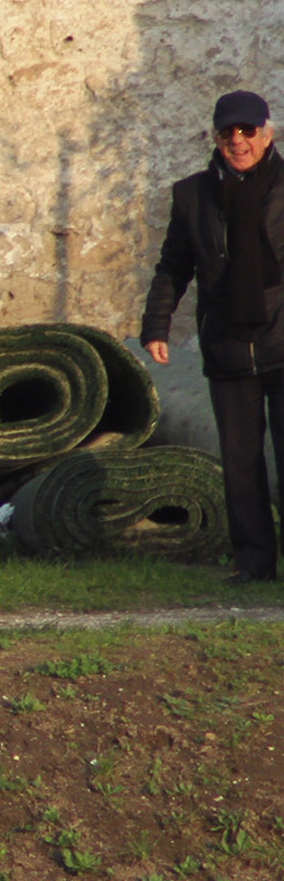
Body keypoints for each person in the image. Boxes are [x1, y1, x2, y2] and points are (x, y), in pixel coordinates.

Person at [142, 90, 284, 584]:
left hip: (282, 338)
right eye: (229, 132)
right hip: (226, 345)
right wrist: (156, 326)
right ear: (216, 138)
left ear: (268, 134)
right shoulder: (192, 195)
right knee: (240, 464)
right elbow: (173, 267)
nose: (238, 141)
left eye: (248, 130)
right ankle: (253, 564)